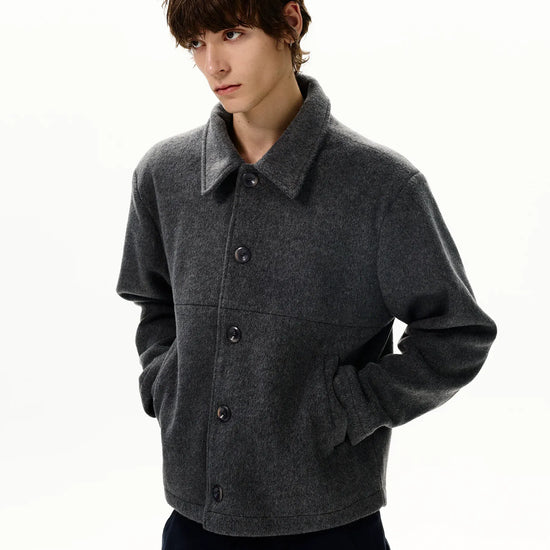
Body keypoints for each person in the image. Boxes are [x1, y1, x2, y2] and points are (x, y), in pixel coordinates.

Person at [115, 1, 497, 548]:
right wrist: (167, 382)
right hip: (193, 519)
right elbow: (154, 303)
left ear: (290, 22)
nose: (214, 63)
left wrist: (343, 411)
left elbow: (457, 334)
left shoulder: (380, 186)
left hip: (331, 525)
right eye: (197, 43)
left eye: (232, 33)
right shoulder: (163, 174)